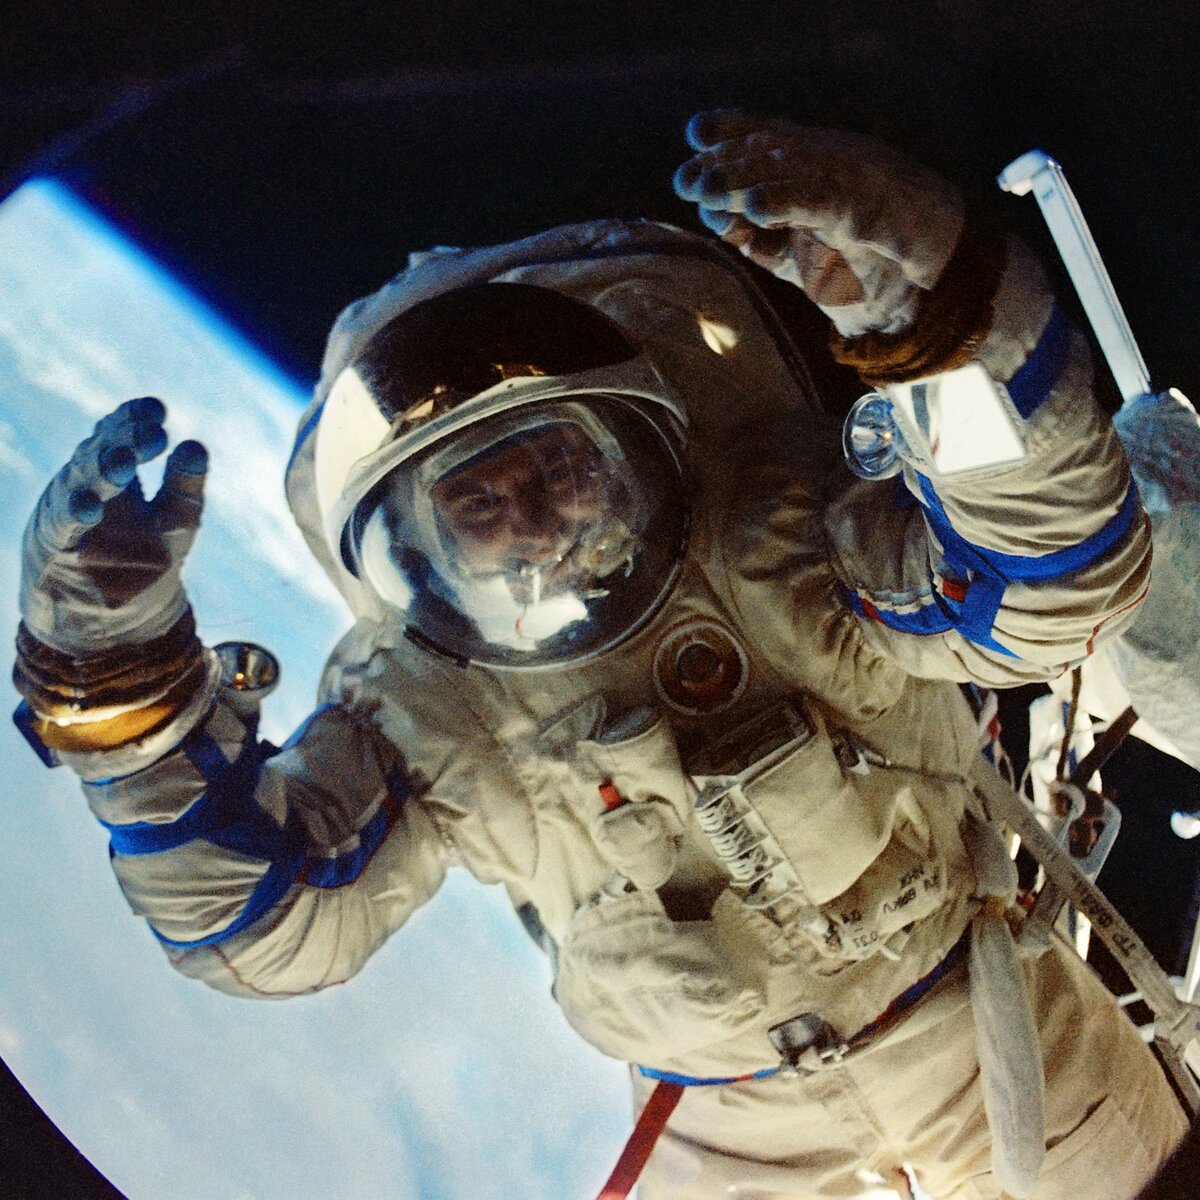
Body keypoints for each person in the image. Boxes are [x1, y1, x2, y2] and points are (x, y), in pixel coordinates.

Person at [13, 109, 1189, 1199]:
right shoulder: (431, 710)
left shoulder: (780, 543)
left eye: (555, 466)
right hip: (725, 1123)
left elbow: (1046, 591)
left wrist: (947, 330)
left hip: (977, 1019)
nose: (530, 523)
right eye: (477, 504)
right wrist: (118, 690)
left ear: (629, 445)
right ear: (418, 549)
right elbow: (268, 926)